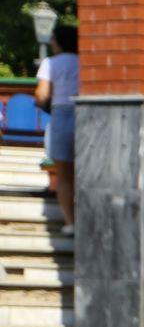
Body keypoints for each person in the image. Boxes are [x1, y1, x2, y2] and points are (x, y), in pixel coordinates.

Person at [33, 23, 78, 235]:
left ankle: (71, 222)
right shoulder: (85, 62)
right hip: (85, 114)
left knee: (63, 173)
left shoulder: (50, 63)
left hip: (61, 114)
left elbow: (41, 94)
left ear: (58, 42)